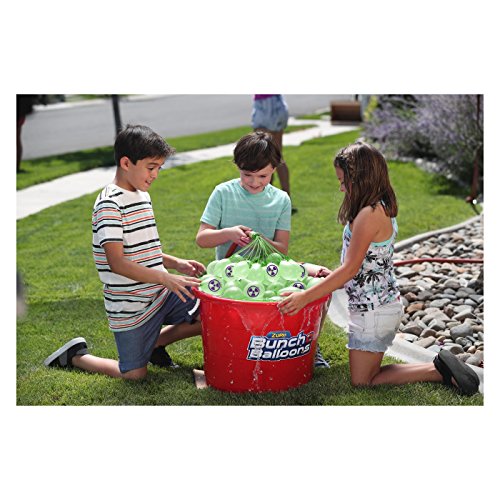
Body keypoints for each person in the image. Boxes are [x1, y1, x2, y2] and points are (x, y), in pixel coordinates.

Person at [278, 141, 480, 395]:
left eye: (344, 181)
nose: (341, 188)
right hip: (379, 305)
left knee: (364, 381)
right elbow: (362, 265)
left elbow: (350, 269)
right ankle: (439, 367)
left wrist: (305, 297)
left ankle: (437, 370)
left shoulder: (369, 214)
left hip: (373, 313)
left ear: (361, 179)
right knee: (365, 375)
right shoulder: (379, 205)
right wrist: (333, 278)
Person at [44, 125, 205, 380]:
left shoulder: (142, 196)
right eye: (151, 167)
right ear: (126, 163)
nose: (155, 175)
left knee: (210, 313)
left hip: (161, 293)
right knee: (133, 375)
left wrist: (176, 263)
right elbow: (117, 262)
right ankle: (76, 356)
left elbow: (143, 249)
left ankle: (156, 342)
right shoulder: (109, 204)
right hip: (131, 307)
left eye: (159, 168)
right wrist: (165, 277)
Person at [196, 130, 330, 368]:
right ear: (238, 167)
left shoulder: (281, 199)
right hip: (232, 276)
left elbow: (281, 250)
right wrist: (229, 233)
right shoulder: (223, 193)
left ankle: (311, 344)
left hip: (271, 271)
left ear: (274, 169)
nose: (255, 182)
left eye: (263, 176)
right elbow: (202, 239)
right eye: (247, 175)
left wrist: (259, 239)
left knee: (323, 280)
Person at [251, 94, 296, 213]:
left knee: (264, 157)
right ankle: (285, 201)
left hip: (265, 105)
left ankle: (265, 200)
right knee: (277, 157)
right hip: (277, 103)